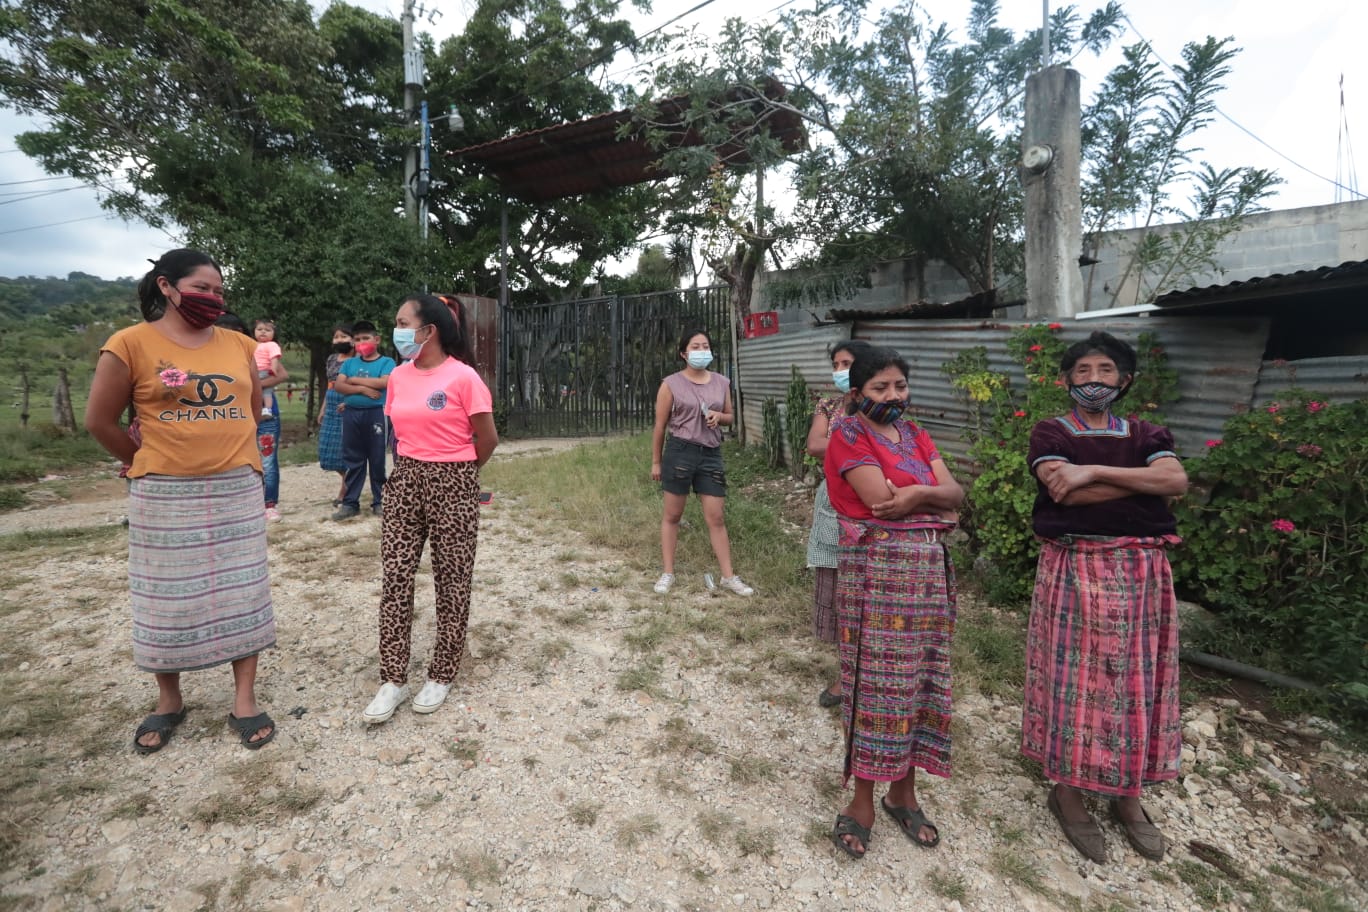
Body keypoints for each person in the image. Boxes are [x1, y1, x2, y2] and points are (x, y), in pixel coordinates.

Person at [84, 248, 277, 753]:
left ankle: (244, 699)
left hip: (236, 486)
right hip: (163, 494)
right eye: (201, 289)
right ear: (167, 287)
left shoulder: (237, 344)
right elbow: (99, 420)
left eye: (218, 291)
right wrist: (141, 459)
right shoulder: (128, 343)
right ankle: (169, 700)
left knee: (244, 591)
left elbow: (252, 408)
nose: (213, 299)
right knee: (165, 599)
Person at [1021, 331, 1188, 864]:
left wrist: (1093, 469)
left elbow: (1176, 479)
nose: (1095, 381)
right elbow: (1061, 490)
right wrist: (1143, 482)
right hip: (1077, 566)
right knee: (1077, 680)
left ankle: (1128, 794)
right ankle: (1068, 792)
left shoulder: (1145, 431)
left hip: (1143, 571)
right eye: (1085, 371)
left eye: (1106, 371)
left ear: (1125, 380)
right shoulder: (1052, 431)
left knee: (1140, 682)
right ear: (1067, 379)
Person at [823, 345, 964, 859]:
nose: (893, 395)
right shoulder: (848, 434)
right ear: (858, 393)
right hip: (879, 573)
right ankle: (861, 800)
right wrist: (931, 495)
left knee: (923, 680)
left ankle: (903, 792)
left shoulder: (915, 434)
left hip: (927, 574)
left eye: (900, 386)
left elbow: (957, 494)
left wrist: (916, 497)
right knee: (878, 685)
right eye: (880, 388)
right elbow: (879, 499)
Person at [362, 294, 498, 723]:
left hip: (454, 481)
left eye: (403, 322)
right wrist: (412, 472)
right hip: (404, 480)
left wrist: (457, 473)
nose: (397, 330)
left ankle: (441, 672)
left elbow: (488, 439)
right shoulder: (399, 377)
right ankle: (393, 679)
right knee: (396, 576)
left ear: (429, 330)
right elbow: (399, 433)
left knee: (452, 579)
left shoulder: (464, 378)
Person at [649, 328, 753, 597]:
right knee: (672, 516)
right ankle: (668, 573)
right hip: (680, 452)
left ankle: (729, 577)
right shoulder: (670, 384)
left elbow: (732, 417)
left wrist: (719, 416)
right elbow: (660, 427)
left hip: (711, 453)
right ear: (684, 353)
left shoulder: (722, 382)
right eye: (695, 346)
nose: (701, 350)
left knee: (716, 517)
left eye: (705, 345)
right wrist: (656, 462)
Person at [805, 339, 872, 708]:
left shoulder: (880, 405)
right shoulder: (829, 405)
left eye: (847, 363)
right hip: (833, 501)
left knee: (868, 590)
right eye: (836, 364)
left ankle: (863, 674)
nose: (840, 370)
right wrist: (853, 444)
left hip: (872, 504)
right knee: (839, 591)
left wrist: (839, 441)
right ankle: (846, 674)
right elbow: (813, 445)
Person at [223, 313, 286, 522]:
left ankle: (269, 504)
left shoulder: (254, 350)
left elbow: (282, 375)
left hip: (265, 415)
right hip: (233, 415)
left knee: (267, 460)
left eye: (238, 333)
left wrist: (253, 387)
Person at [332, 320, 395, 520]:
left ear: (376, 340)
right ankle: (350, 503)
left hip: (377, 413)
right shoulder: (349, 363)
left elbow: (385, 382)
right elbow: (339, 386)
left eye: (366, 338)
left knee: (377, 458)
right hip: (352, 414)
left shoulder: (386, 362)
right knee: (353, 459)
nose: (361, 343)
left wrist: (353, 380)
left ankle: (380, 501)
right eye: (357, 339)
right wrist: (363, 389)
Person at [318, 324, 352, 504]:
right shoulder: (331, 359)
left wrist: (351, 402)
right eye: (336, 337)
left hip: (348, 403)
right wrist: (323, 408)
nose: (339, 340)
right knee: (328, 451)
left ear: (352, 339)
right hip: (331, 403)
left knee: (343, 450)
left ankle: (345, 490)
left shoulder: (359, 360)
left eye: (344, 336)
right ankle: (347, 482)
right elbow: (330, 384)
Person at [253, 318, 285, 419]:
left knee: (266, 391)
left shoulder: (272, 345)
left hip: (264, 370)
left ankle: (267, 408)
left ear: (273, 334)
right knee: (263, 391)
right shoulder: (251, 344)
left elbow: (274, 357)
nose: (263, 332)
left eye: (267, 330)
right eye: (259, 329)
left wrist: (273, 368)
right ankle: (262, 408)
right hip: (253, 370)